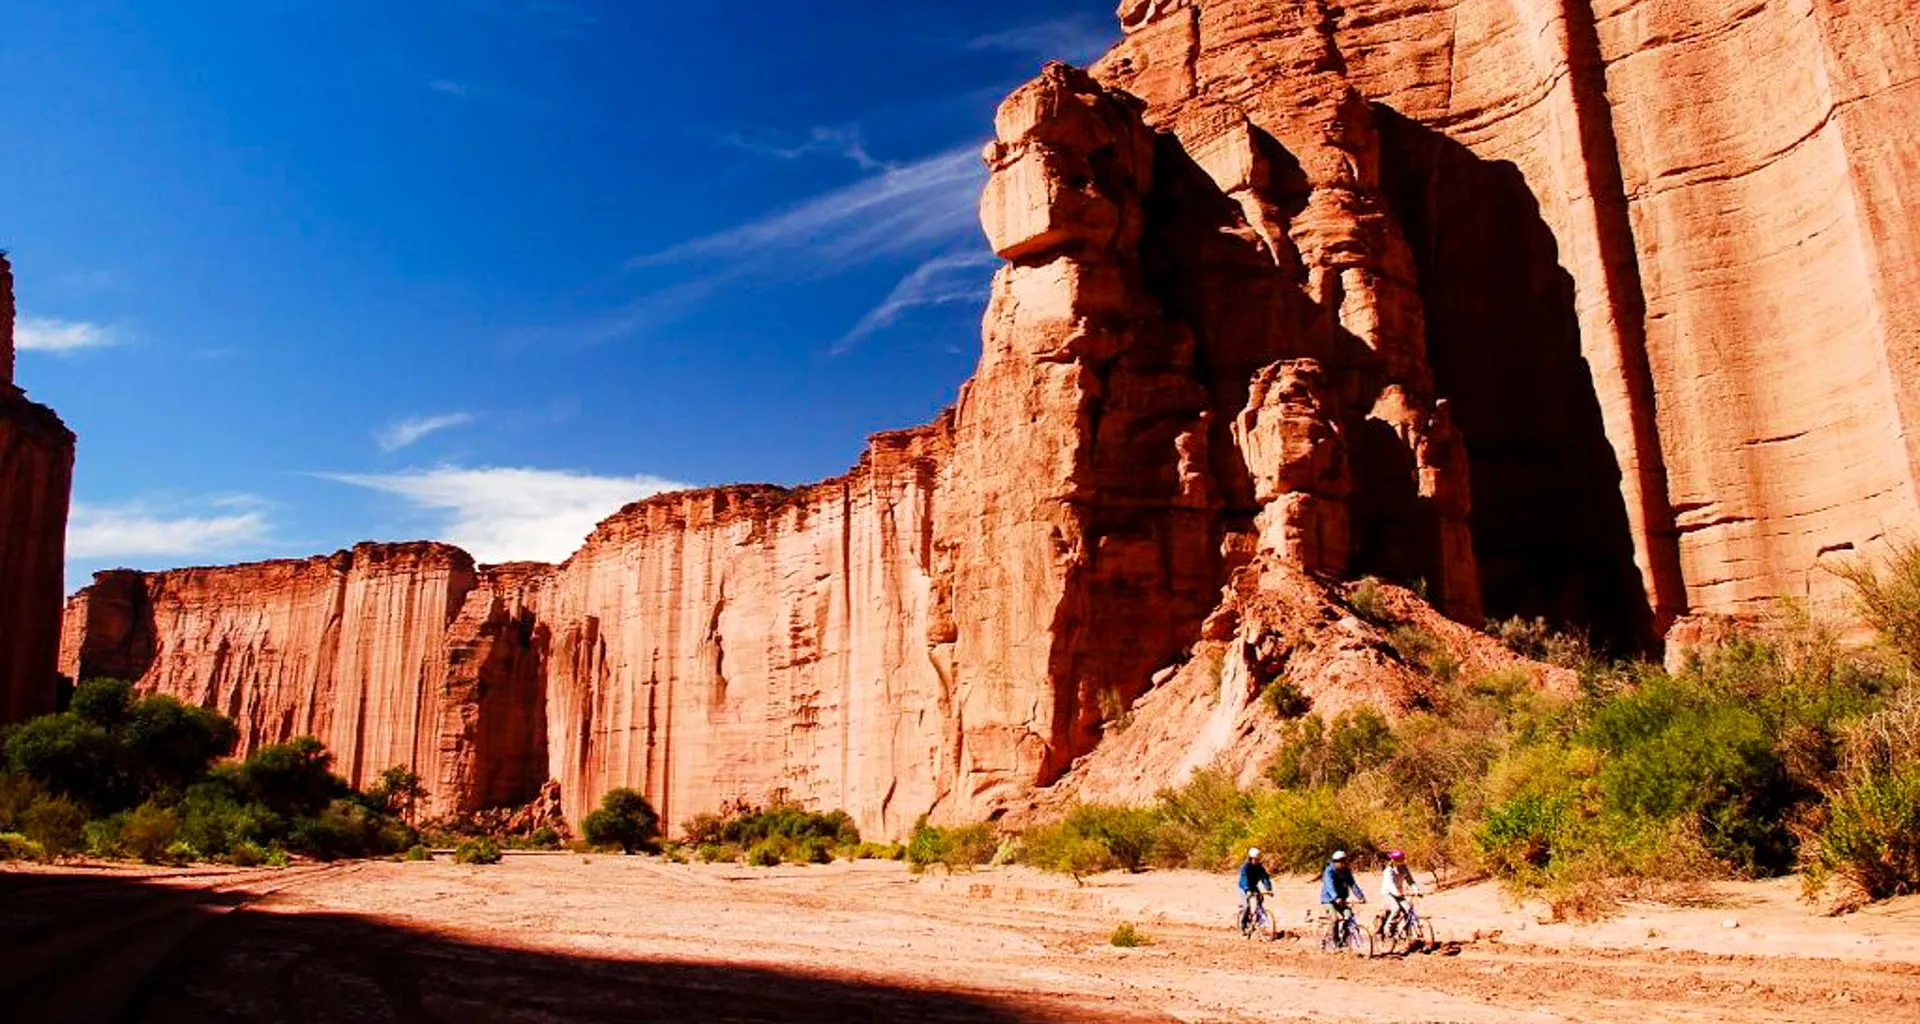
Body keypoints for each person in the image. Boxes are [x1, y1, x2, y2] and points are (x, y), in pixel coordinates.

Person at [1320, 849, 1365, 924]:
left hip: (1342, 900)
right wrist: (1336, 897)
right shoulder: (1329, 871)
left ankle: (1348, 934)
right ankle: (1333, 936)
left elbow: (1352, 884)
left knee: (1350, 917)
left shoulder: (1346, 871)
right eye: (1341, 862)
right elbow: (1329, 885)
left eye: (1345, 862)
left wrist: (1360, 896)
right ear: (1336, 862)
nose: (1344, 864)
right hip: (1329, 900)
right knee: (1335, 920)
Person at [1238, 847, 1274, 930]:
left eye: (1258, 859)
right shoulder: (1245, 867)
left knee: (1260, 901)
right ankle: (1243, 925)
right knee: (1247, 906)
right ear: (1251, 859)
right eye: (1255, 859)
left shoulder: (1259, 868)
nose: (1257, 861)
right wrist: (1247, 890)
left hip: (1254, 887)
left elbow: (1265, 877)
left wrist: (1268, 889)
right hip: (1244, 888)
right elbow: (1244, 879)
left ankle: (1258, 920)